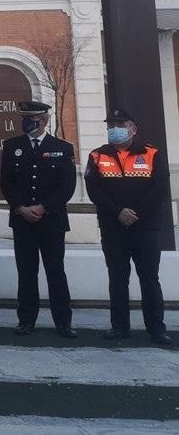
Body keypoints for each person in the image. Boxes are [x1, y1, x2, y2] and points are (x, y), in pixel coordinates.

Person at [85, 108, 172, 345]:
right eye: (111, 124)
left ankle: (156, 328)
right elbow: (94, 190)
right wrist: (118, 212)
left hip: (145, 228)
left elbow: (160, 189)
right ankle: (119, 327)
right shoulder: (96, 155)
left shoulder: (153, 153)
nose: (114, 129)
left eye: (120, 124)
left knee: (149, 279)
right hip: (114, 228)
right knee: (117, 278)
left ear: (133, 128)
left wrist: (135, 213)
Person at [0, 100, 78, 339]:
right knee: (26, 272)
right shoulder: (12, 146)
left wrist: (43, 207)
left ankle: (63, 322)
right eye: (24, 117)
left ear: (43, 121)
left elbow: (67, 186)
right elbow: (7, 183)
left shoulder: (62, 147)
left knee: (56, 272)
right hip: (23, 221)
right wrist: (20, 208)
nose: (25, 122)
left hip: (51, 220)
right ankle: (26, 320)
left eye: (31, 118)